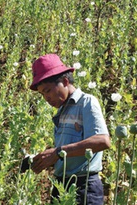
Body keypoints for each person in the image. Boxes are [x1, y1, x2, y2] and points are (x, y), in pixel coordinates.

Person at [29, 54, 110, 205]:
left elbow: (102, 141)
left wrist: (58, 153)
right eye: (42, 94)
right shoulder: (62, 110)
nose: (46, 98)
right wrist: (44, 159)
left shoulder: (87, 102)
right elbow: (67, 153)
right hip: (62, 186)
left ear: (65, 81)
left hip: (84, 188)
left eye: (47, 90)